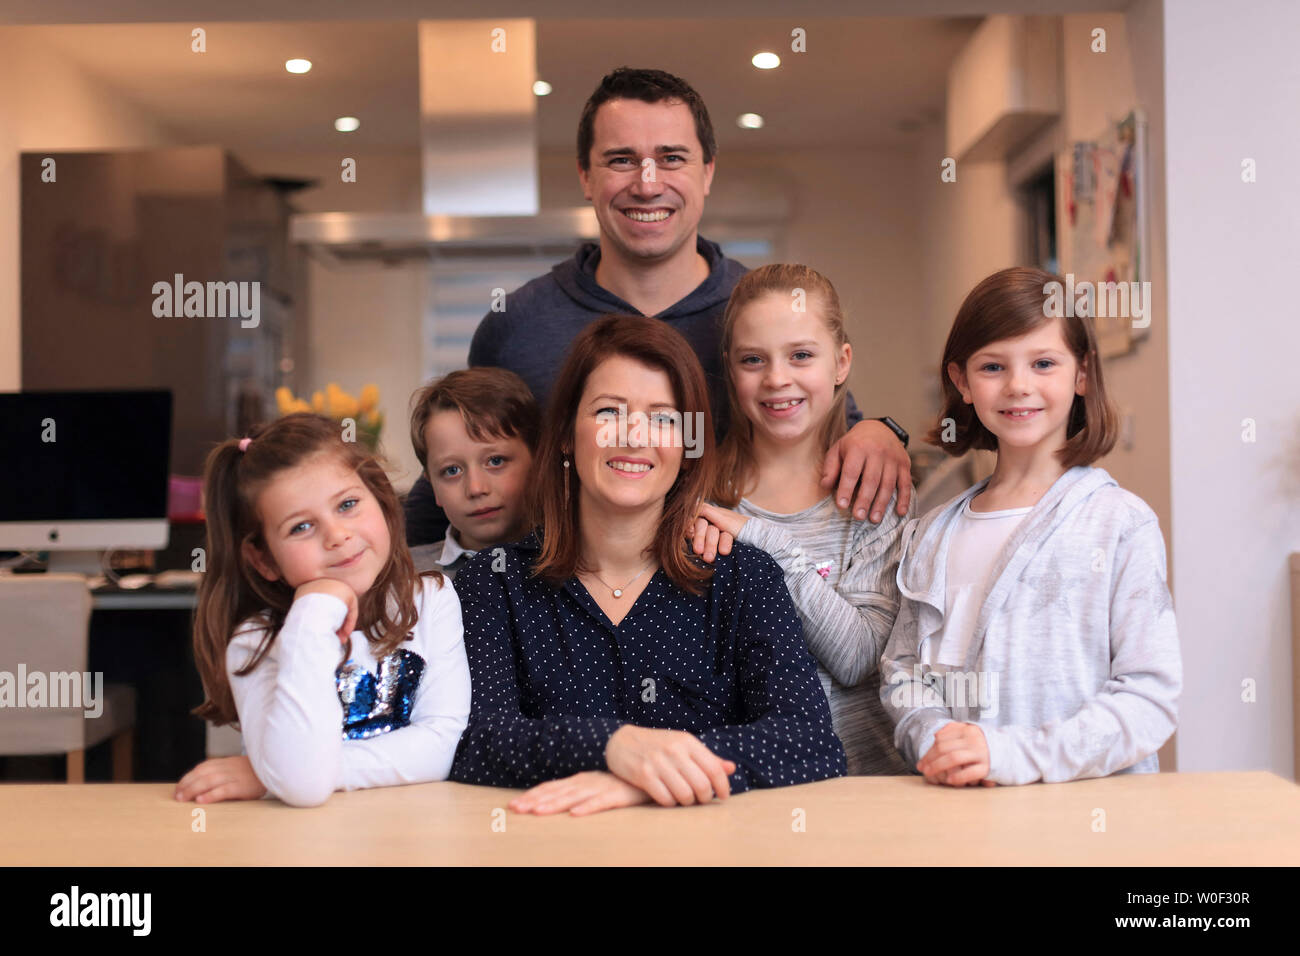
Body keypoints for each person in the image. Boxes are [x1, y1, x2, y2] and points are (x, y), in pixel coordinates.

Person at [404, 67, 912, 549]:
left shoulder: (760, 313)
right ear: (585, 176)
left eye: (671, 158)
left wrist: (882, 432)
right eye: (621, 160)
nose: (647, 184)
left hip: (727, 598)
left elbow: (832, 430)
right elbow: (457, 467)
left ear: (707, 172)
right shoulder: (515, 325)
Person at [449, 315, 846, 814]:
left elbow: (811, 741)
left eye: (663, 418)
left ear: (688, 446)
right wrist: (612, 746)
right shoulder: (493, 582)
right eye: (609, 412)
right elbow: (475, 740)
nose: (635, 437)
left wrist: (649, 777)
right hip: (552, 844)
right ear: (567, 433)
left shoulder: (745, 577)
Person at [879, 267, 1181, 787]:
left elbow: (1148, 697)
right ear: (961, 381)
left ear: (1082, 374)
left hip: (1088, 816)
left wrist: (1011, 754)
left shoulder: (1120, 523)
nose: (1018, 386)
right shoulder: (932, 533)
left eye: (1043, 363)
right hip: (960, 808)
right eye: (993, 366)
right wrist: (935, 740)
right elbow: (901, 670)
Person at [175, 413, 471, 806]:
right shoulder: (256, 641)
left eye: (347, 504)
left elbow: (443, 746)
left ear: (381, 500)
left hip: (416, 825)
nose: (337, 536)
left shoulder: (431, 599)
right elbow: (302, 787)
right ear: (264, 559)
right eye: (301, 527)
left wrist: (272, 775)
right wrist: (314, 612)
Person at [695, 264, 914, 775]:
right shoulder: (701, 500)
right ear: (730, 369)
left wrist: (762, 540)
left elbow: (858, 657)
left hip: (867, 788)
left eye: (801, 355)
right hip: (748, 785)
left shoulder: (873, 495)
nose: (777, 378)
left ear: (841, 362)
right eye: (753, 359)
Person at [406, 367, 539, 578]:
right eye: (452, 470)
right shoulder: (402, 578)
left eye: (495, 461)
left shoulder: (582, 570)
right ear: (432, 486)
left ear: (539, 462)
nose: (476, 488)